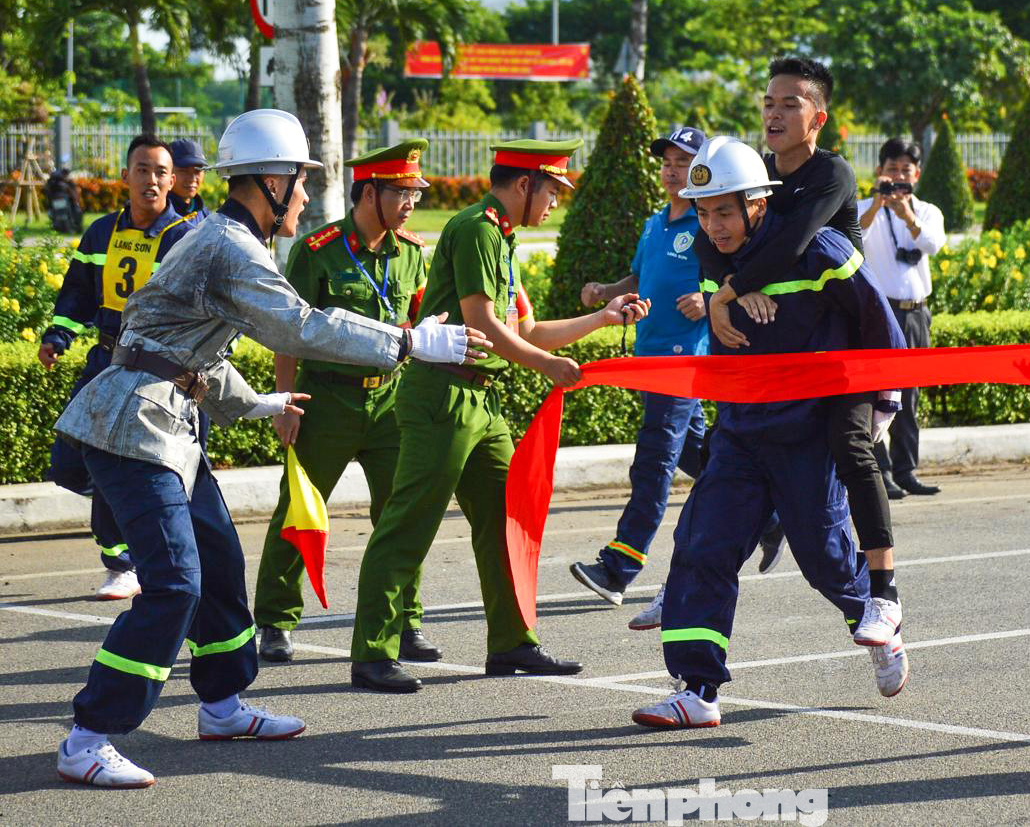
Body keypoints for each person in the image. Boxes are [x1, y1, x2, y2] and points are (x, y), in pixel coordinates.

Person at [51, 108, 488, 788]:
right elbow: (298, 328)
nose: (309, 197)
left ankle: (221, 706)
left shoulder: (221, 239)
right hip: (132, 431)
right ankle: (89, 735)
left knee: (221, 570)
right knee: (174, 583)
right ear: (271, 182)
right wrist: (405, 341)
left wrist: (254, 403)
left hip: (165, 427)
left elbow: (179, 345)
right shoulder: (228, 244)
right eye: (302, 182)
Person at [348, 139, 651, 693]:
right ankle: (372, 652)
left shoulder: (502, 240)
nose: (556, 201)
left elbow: (528, 330)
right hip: (442, 397)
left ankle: (512, 642)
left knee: (508, 518)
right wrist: (546, 366)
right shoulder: (477, 230)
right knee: (409, 522)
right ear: (523, 185)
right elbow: (485, 324)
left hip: (478, 402)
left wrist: (601, 319)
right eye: (553, 189)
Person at [632, 136, 909, 729]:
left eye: (724, 212)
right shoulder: (716, 261)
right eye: (704, 212)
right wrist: (724, 301)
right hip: (739, 432)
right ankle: (697, 689)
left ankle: (879, 623)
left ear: (760, 204)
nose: (713, 226)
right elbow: (719, 303)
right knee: (703, 544)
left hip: (808, 435)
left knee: (824, 559)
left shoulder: (823, 252)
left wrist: (877, 413)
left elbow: (882, 329)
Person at [693, 56, 904, 648]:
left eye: (790, 103)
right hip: (789, 346)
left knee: (851, 448)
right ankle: (698, 569)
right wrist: (725, 298)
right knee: (730, 447)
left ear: (819, 118)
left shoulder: (831, 173)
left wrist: (734, 290)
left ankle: (884, 594)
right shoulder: (754, 170)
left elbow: (789, 242)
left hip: (847, 347)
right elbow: (712, 239)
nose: (775, 113)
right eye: (768, 102)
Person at [253, 138, 433, 664]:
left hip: (392, 403)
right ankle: (276, 621)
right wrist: (286, 404)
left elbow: (420, 327)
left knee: (402, 515)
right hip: (326, 400)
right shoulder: (319, 251)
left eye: (415, 195)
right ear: (369, 193)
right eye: (401, 193)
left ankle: (405, 621)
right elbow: (289, 332)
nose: (410, 204)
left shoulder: (413, 255)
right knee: (300, 509)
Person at [40, 134, 196, 601]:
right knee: (71, 465)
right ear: (125, 176)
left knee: (145, 473)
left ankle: (124, 562)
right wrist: (57, 335)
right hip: (105, 364)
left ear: (173, 181)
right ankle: (127, 524)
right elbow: (78, 292)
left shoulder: (184, 238)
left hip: (157, 372)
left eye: (160, 172)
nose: (151, 180)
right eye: (142, 170)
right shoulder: (99, 232)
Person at [568, 126, 712, 611]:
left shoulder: (708, 221)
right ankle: (771, 510)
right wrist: (609, 290)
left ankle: (618, 567)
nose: (673, 170)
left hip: (682, 361)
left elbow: (734, 278)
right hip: (649, 358)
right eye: (667, 162)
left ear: (701, 170)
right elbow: (642, 275)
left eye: (684, 162)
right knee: (702, 456)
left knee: (653, 462)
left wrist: (707, 299)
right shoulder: (655, 223)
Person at [857, 137, 945, 499]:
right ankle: (882, 472)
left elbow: (933, 244)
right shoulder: (864, 207)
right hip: (880, 313)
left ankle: (907, 470)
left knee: (910, 397)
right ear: (879, 172)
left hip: (915, 313)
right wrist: (877, 205)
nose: (897, 177)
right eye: (891, 170)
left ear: (917, 175)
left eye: (905, 171)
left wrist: (907, 216)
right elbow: (852, 238)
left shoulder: (927, 211)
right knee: (878, 395)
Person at [168, 137, 211, 225]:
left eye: (197, 171)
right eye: (184, 171)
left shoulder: (203, 214)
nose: (192, 178)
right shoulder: (160, 213)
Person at [45, 166, 83, 234]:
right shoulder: (64, 184)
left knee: (68, 213)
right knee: (68, 213)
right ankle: (71, 228)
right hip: (61, 203)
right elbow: (74, 194)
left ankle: (70, 227)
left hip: (56, 203)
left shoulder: (55, 183)